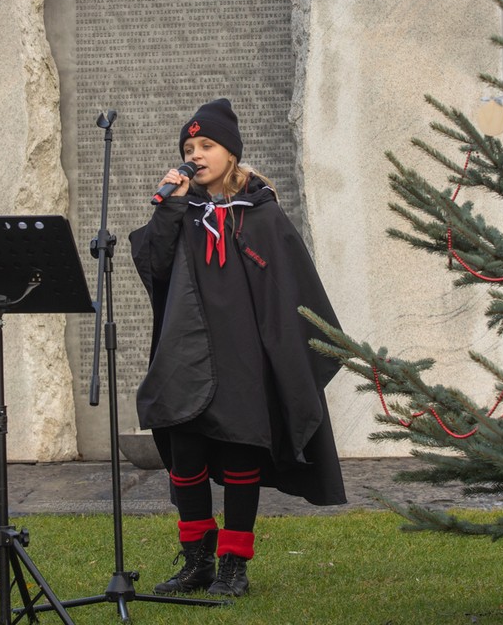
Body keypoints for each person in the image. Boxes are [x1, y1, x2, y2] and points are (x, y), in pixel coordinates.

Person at [129, 98, 347, 597]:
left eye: (207, 145)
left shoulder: (261, 215)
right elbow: (154, 264)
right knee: (185, 457)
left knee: (240, 454)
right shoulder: (184, 213)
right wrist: (168, 206)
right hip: (185, 356)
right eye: (189, 147)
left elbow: (292, 288)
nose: (196, 154)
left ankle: (233, 564)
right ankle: (197, 562)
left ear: (231, 152)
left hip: (243, 360)